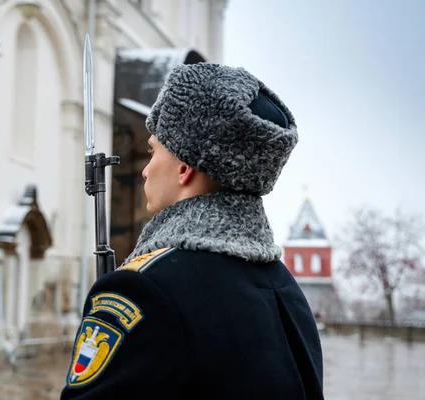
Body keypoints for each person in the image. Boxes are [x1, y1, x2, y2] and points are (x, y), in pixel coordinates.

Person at [61, 63, 324, 399]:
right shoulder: (285, 288)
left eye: (153, 150)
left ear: (184, 169)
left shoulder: (144, 289)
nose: (145, 170)